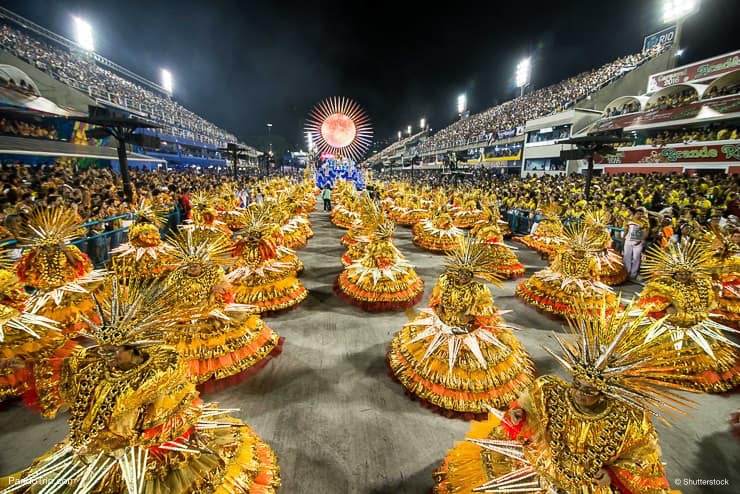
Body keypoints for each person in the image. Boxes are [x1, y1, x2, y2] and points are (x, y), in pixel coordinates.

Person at [0, 277, 281, 493]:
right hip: (103, 449)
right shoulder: (93, 365)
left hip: (152, 452)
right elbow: (62, 383)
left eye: (114, 351)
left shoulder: (161, 373)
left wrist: (134, 438)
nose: (107, 356)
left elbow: (175, 417)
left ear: (134, 349)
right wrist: (24, 366)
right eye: (103, 349)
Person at [433, 300, 694, 494]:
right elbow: (527, 407)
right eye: (577, 384)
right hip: (542, 464)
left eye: (590, 390)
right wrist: (518, 414)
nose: (580, 393)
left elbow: (642, 456)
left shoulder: (627, 419)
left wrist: (614, 474)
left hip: (590, 483)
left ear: (606, 392)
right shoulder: (551, 390)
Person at [388, 236, 534, 418]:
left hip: (466, 329)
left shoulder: (479, 291)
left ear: (473, 275)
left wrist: (472, 317)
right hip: (442, 324)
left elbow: (485, 313)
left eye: (467, 273)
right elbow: (436, 301)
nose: (462, 276)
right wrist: (440, 311)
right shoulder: (445, 282)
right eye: (460, 271)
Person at [637, 241, 740, 393]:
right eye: (681, 273)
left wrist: (700, 314)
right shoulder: (663, 288)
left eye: (687, 273)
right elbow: (667, 314)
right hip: (674, 328)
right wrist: (683, 316)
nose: (685, 276)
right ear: (673, 274)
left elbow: (708, 305)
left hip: (696, 325)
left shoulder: (701, 285)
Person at [516, 223, 619, 319]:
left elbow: (595, 276)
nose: (578, 254)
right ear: (572, 250)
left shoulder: (592, 260)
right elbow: (555, 268)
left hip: (583, 281)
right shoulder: (564, 255)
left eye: (581, 252)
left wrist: (588, 281)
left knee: (586, 296)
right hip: (562, 277)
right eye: (576, 251)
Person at [336, 220, 424, 311]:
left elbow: (381, 253)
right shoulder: (382, 244)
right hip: (377, 264)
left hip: (383, 263)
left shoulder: (380, 244)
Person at [622, 207, 650, 280]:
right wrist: (623, 238)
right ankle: (627, 272)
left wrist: (642, 240)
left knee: (636, 258)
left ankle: (633, 273)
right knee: (626, 257)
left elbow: (646, 232)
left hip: (638, 242)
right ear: (634, 214)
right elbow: (626, 230)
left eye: (641, 214)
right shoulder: (629, 220)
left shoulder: (645, 222)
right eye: (638, 214)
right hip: (628, 241)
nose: (639, 216)